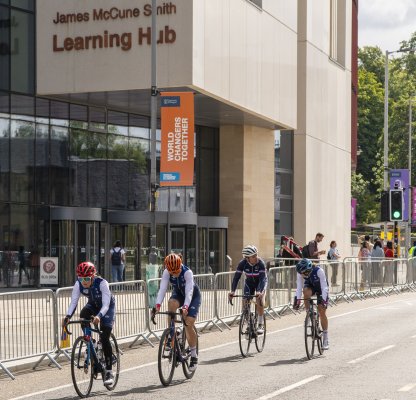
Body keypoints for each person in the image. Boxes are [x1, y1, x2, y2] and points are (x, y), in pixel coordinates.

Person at [62, 261, 116, 386]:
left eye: (86, 278)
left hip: (107, 308)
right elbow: (73, 302)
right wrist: (67, 317)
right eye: (81, 278)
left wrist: (99, 316)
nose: (84, 282)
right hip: (93, 305)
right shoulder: (78, 284)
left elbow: (106, 304)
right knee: (83, 314)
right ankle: (90, 342)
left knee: (104, 335)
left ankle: (109, 371)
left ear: (93, 276)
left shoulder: (102, 283)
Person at [151, 253, 201, 371]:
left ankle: (193, 355)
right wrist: (157, 306)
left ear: (180, 265)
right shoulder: (167, 272)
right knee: (171, 304)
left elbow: (189, 292)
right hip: (178, 293)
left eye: (177, 271)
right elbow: (163, 288)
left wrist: (185, 307)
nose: (175, 274)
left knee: (188, 323)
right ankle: (172, 334)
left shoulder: (187, 273)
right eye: (172, 272)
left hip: (192, 296)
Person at [228, 245, 268, 335]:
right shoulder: (242, 263)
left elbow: (262, 279)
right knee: (245, 301)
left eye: (256, 254)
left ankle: (260, 324)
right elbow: (236, 278)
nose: (256, 257)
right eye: (253, 256)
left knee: (259, 299)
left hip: (260, 283)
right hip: (249, 283)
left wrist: (259, 291)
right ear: (247, 258)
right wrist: (232, 291)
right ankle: (249, 323)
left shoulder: (260, 263)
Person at [293, 258, 330, 350]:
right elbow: (299, 287)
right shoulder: (300, 272)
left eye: (304, 273)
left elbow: (325, 287)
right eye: (300, 273)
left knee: (321, 311)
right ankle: (309, 313)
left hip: (321, 288)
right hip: (310, 286)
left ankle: (325, 338)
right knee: (305, 292)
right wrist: (297, 300)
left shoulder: (319, 271)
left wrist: (324, 300)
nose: (302, 275)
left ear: (309, 269)